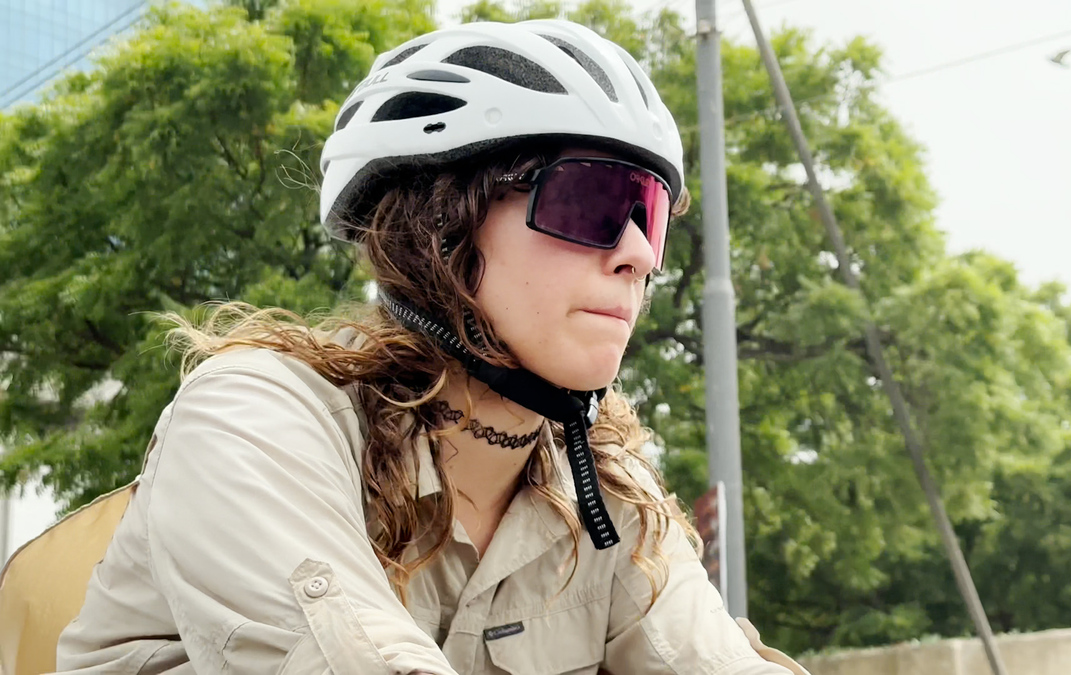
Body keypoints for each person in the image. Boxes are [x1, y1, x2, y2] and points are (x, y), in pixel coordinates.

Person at [53, 19, 808, 675]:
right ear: (440, 227)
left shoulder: (607, 498)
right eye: (593, 201)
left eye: (650, 213)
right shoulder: (254, 416)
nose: (639, 254)